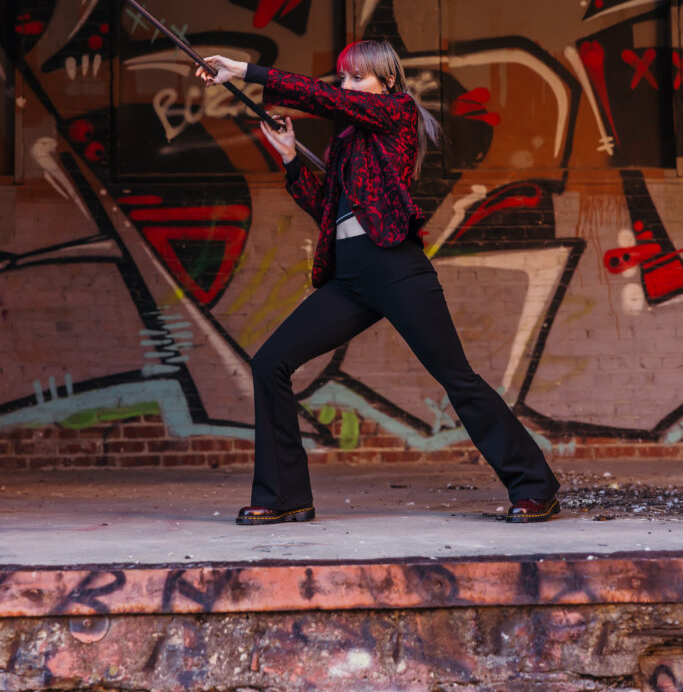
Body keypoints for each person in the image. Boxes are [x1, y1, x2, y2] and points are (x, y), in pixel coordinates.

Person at [196, 41, 561, 525]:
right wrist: (289, 159)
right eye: (344, 78)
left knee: (458, 379)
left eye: (357, 78)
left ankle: (536, 487)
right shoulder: (346, 143)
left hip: (396, 269)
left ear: (386, 84)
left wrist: (244, 70)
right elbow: (327, 210)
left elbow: (322, 99)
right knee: (269, 363)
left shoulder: (397, 113)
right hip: (349, 278)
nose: (346, 86)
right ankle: (286, 496)